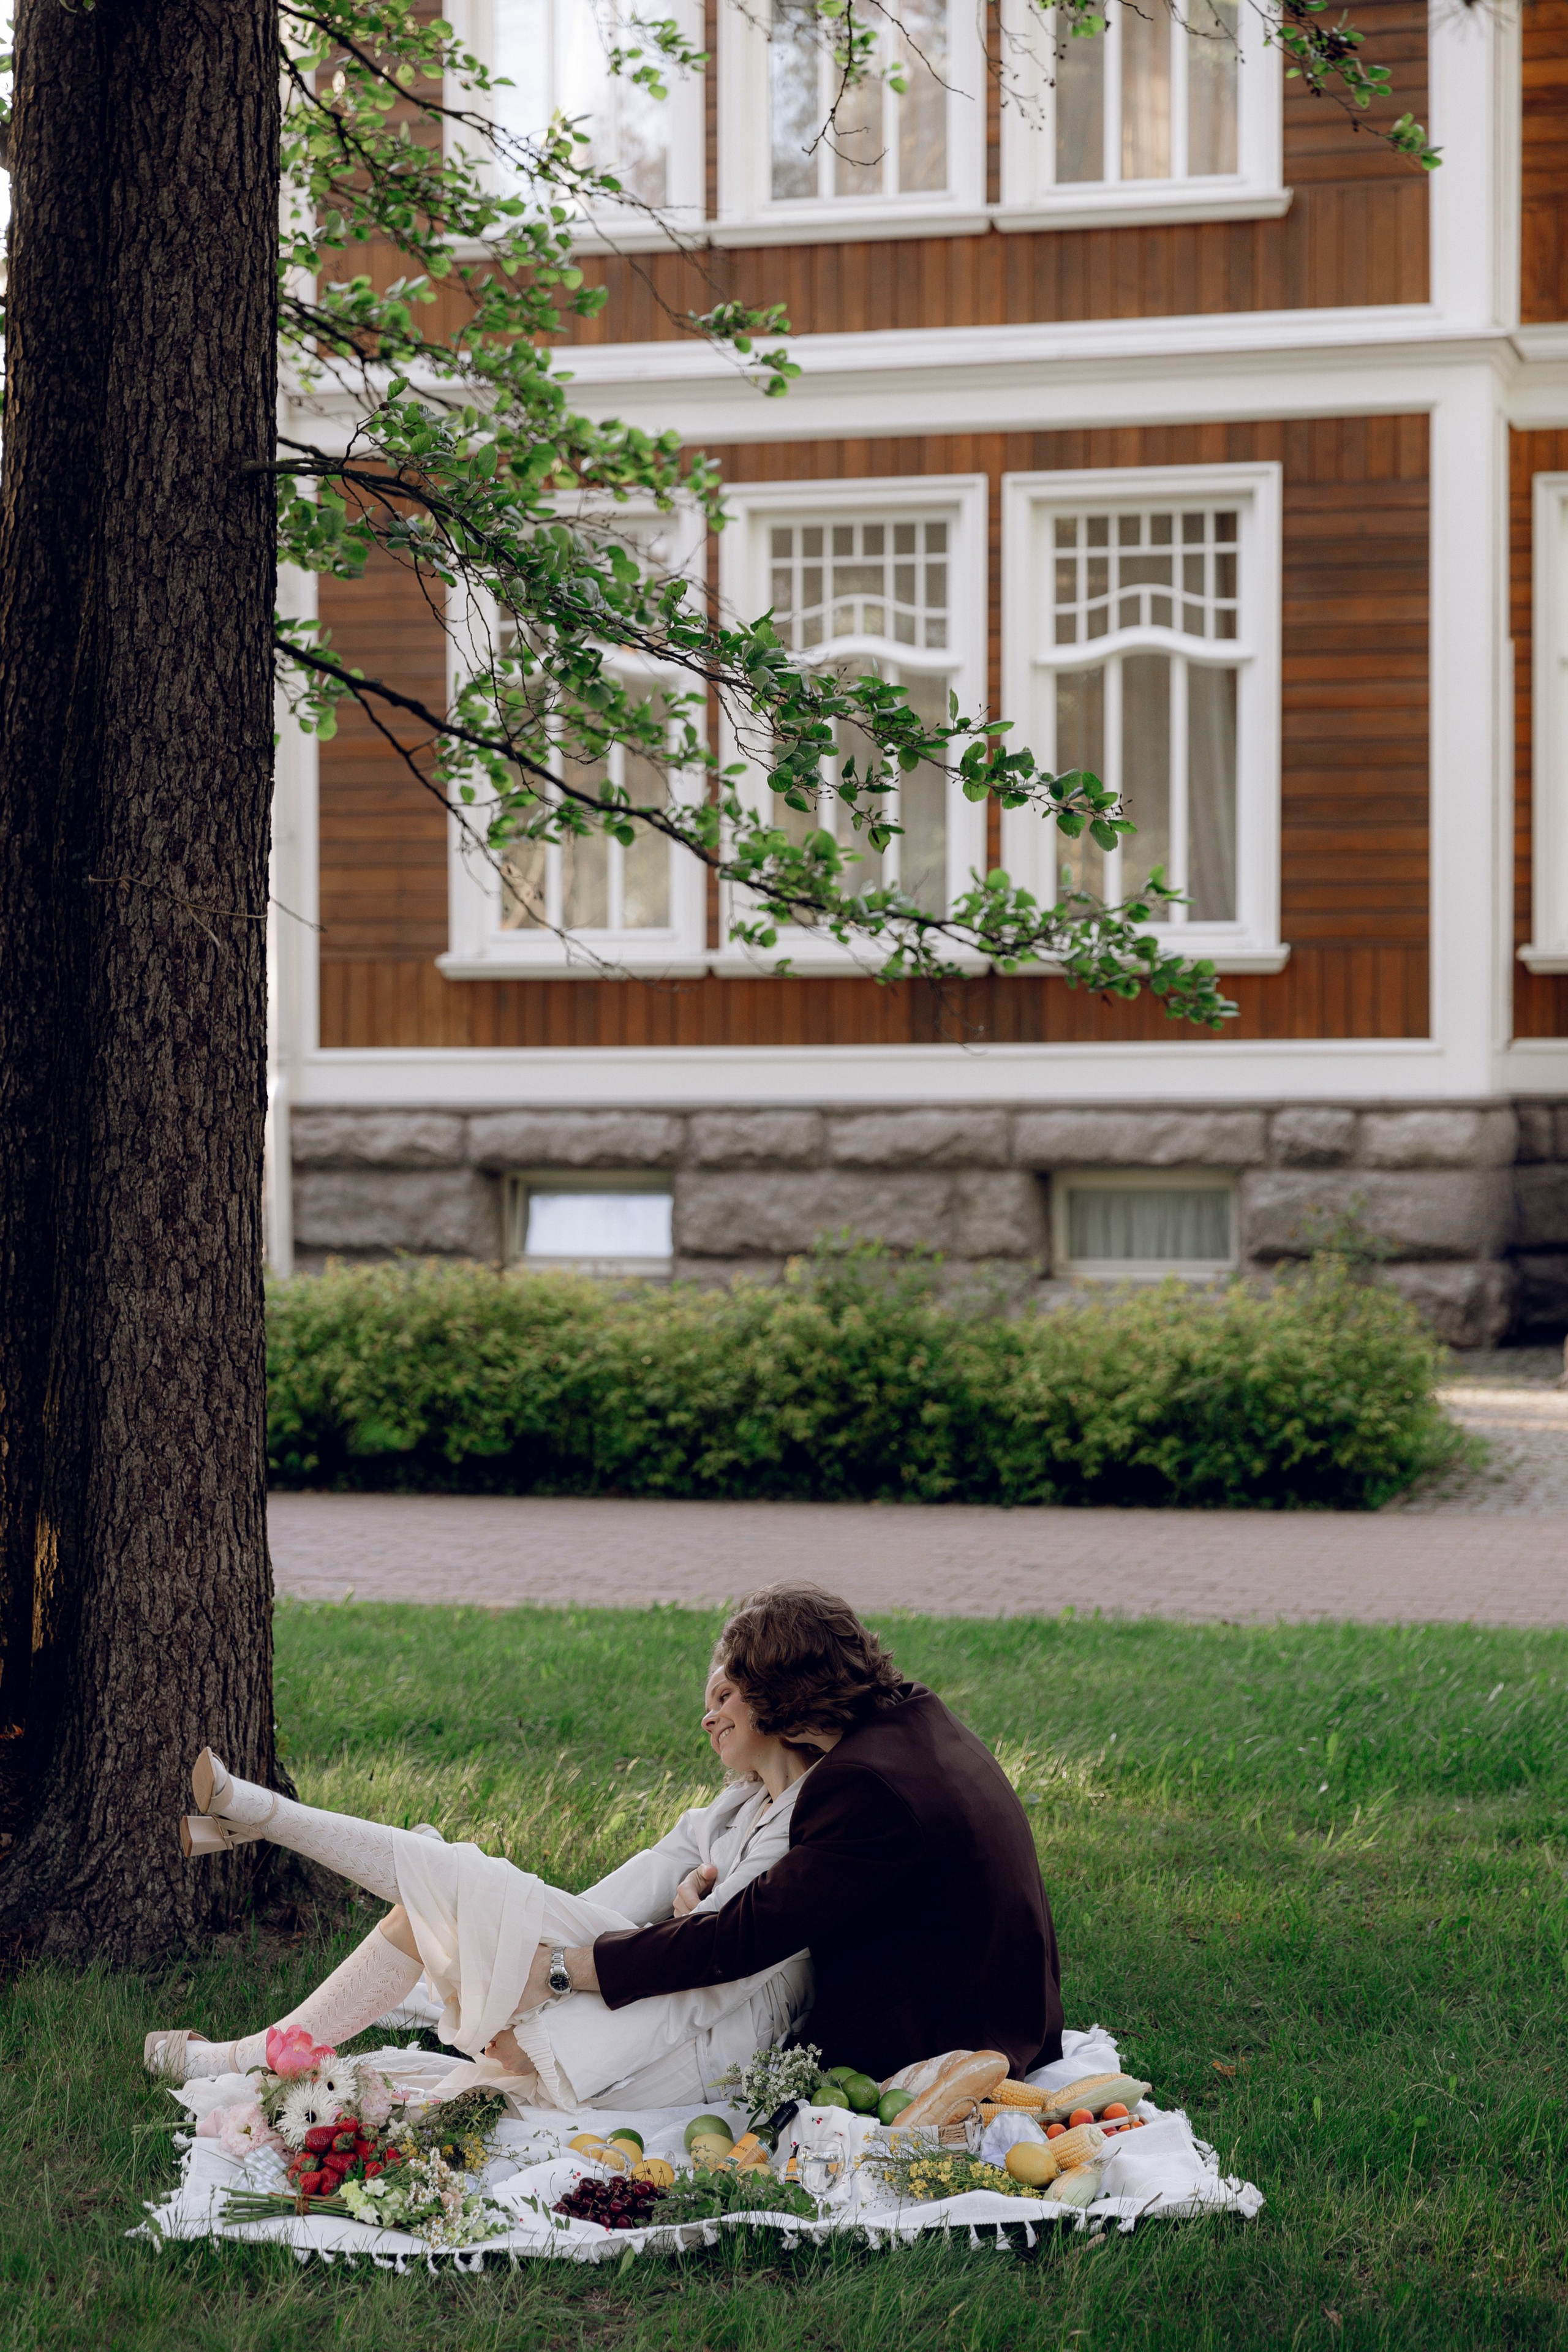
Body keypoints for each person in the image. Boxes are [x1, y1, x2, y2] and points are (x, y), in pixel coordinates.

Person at [146, 1584, 1063, 2101]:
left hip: (838, 2021)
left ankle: (261, 1826)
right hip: (709, 1979)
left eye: (726, 1701)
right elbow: (654, 1878)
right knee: (457, 1894)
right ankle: (256, 1854)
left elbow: (736, 1944)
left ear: (783, 1708)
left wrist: (559, 1967)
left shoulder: (855, 1791)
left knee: (456, 1906)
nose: (706, 1717)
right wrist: (550, 1925)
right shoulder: (849, 1748)